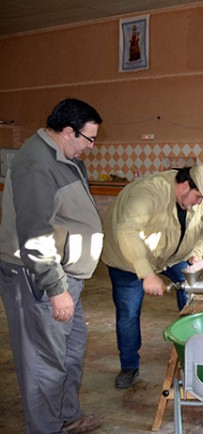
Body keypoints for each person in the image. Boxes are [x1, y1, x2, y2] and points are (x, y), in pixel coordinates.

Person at [0, 98, 104, 433]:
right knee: (44, 363)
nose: (91, 146)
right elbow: (36, 234)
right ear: (68, 131)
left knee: (70, 353)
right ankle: (46, 427)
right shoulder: (36, 163)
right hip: (40, 279)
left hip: (67, 275)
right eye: (89, 139)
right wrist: (56, 288)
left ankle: (67, 418)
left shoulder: (63, 157)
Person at [101, 165, 203, 389]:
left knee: (191, 293)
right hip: (127, 259)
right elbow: (127, 231)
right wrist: (146, 273)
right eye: (198, 197)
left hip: (172, 256)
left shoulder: (200, 198)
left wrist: (197, 251)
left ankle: (193, 353)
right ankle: (129, 366)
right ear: (185, 186)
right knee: (128, 312)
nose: (199, 203)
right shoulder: (148, 192)